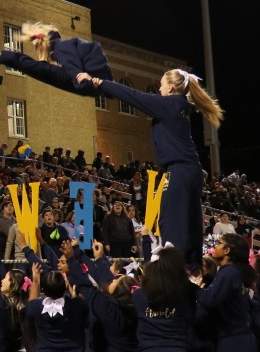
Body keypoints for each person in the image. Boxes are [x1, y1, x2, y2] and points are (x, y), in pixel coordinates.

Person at [79, 69, 224, 271]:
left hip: (179, 171)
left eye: (162, 84)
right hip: (193, 171)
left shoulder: (168, 104)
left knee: (171, 224)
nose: (159, 88)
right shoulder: (182, 107)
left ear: (171, 87)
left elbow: (133, 96)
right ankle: (194, 271)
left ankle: (176, 273)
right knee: (190, 225)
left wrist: (99, 83)